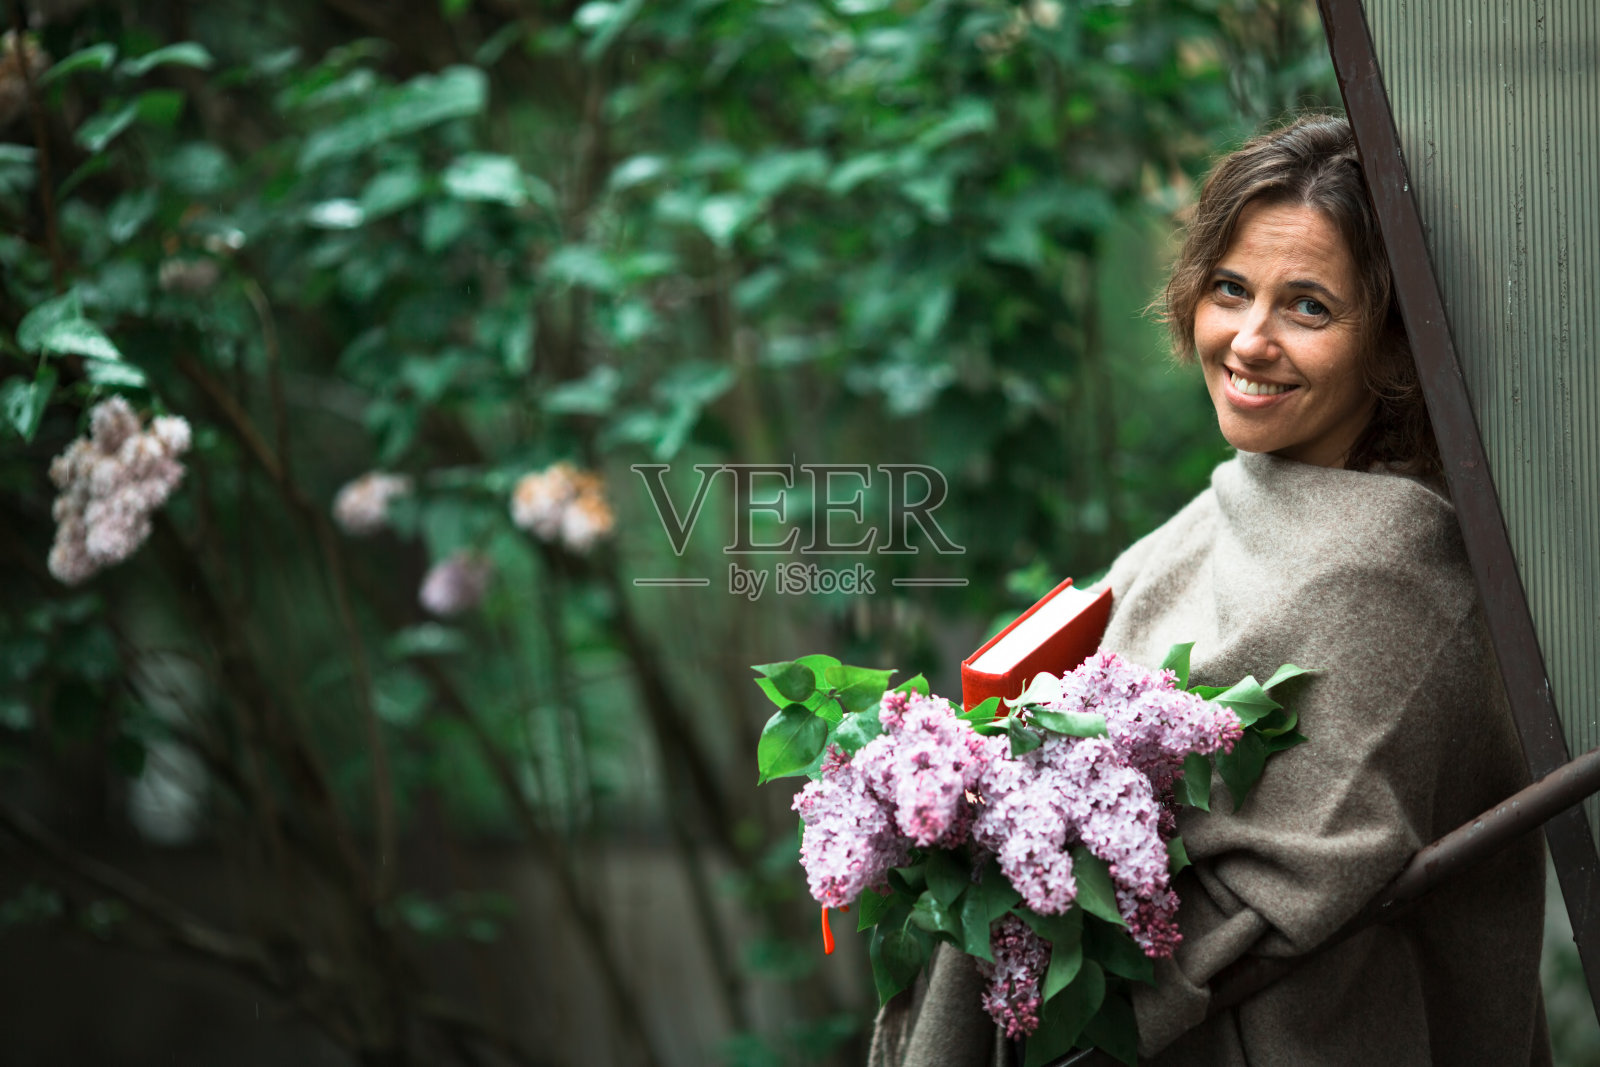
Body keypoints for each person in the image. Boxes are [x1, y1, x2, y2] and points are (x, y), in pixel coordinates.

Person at [869, 114, 1550, 1066]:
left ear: (1395, 350)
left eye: (1308, 307)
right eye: (1231, 290)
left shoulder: (1394, 569)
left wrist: (1034, 919)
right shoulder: (1226, 510)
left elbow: (1291, 881)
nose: (1250, 339)